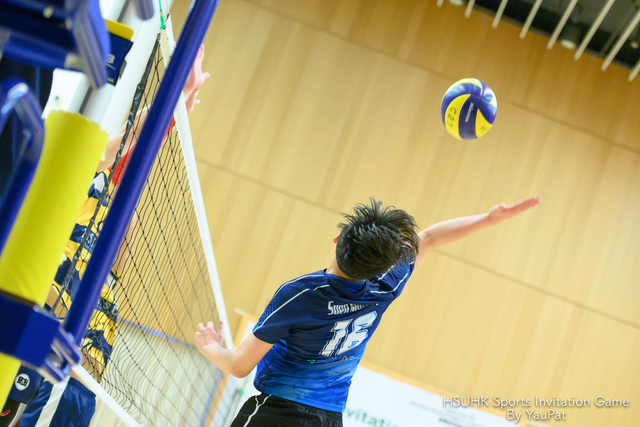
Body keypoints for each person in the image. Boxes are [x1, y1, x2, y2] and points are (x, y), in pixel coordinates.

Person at [0, 44, 210, 427]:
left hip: (83, 386)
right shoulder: (73, 182)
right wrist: (173, 99)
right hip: (54, 366)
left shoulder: (114, 214)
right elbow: (126, 139)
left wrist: (175, 105)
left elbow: (133, 144)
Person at [195, 195, 542, 426]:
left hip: (278, 412)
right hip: (330, 419)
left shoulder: (301, 294)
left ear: (337, 240)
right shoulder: (383, 287)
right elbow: (430, 239)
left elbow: (239, 365)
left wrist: (210, 346)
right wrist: (489, 219)